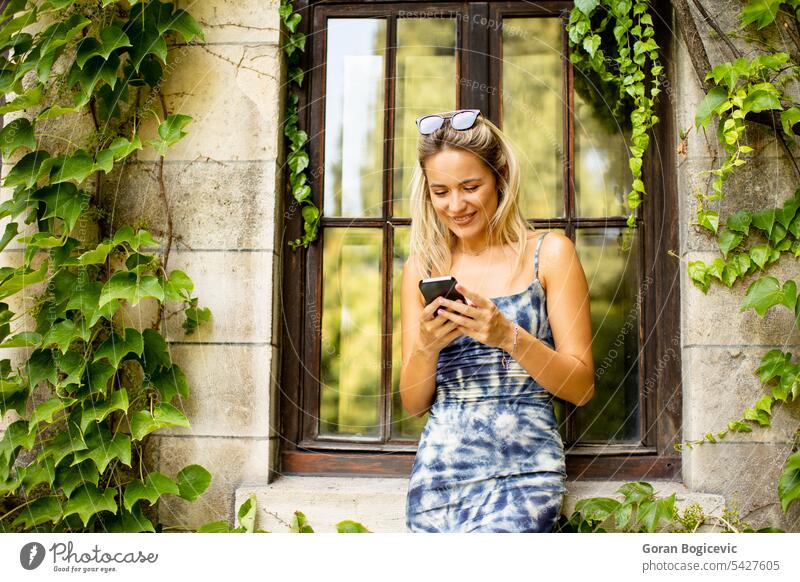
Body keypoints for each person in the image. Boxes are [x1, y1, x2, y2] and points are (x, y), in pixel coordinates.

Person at [400, 108, 595, 533]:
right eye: (441, 191)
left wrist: (508, 335)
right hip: (439, 480)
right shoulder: (422, 267)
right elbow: (413, 403)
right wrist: (426, 346)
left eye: (471, 187)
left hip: (525, 477)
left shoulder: (551, 254)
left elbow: (581, 388)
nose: (455, 205)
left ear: (501, 177)